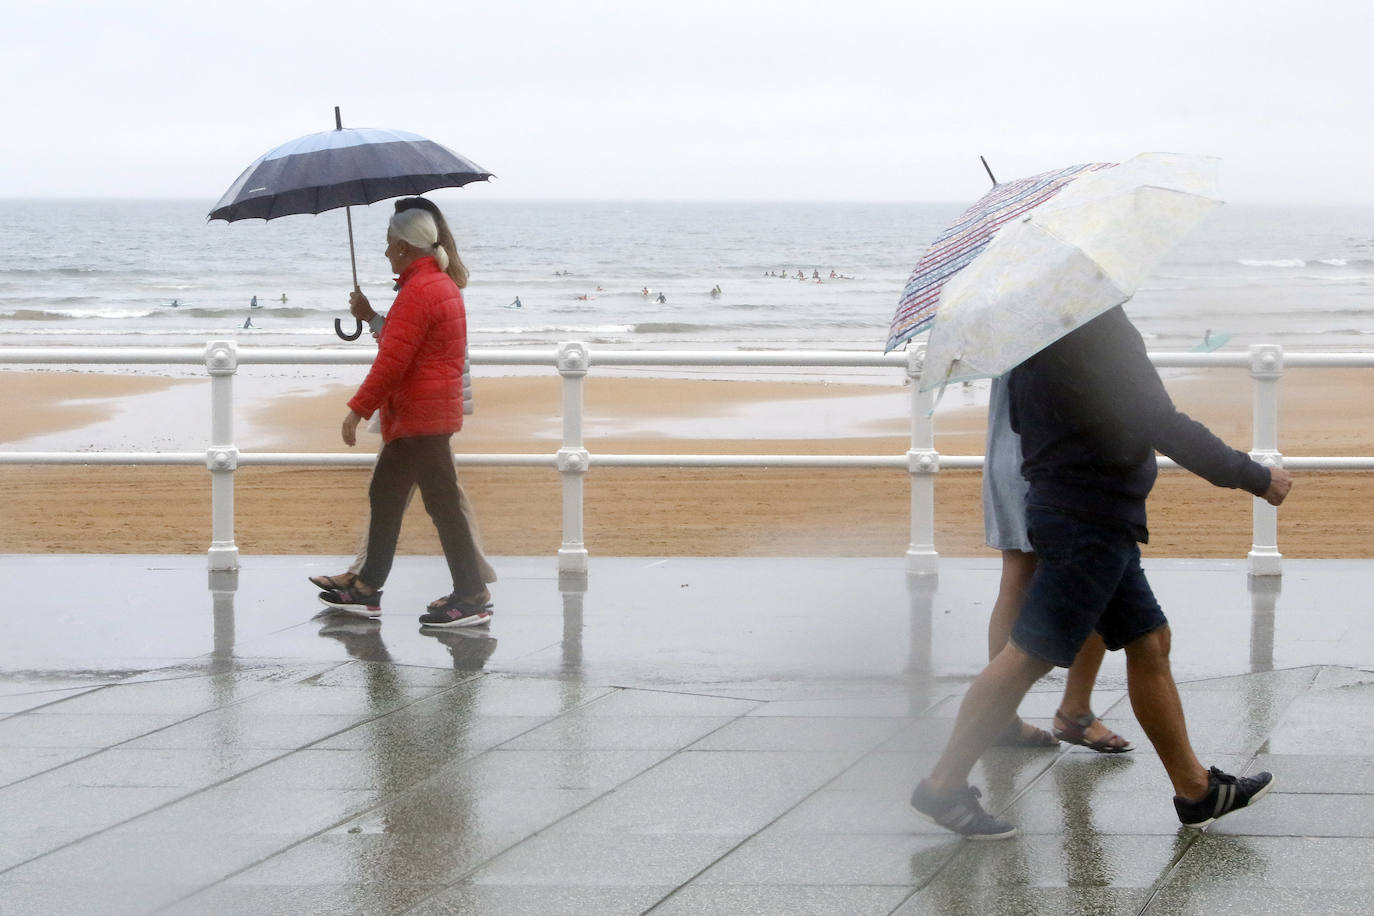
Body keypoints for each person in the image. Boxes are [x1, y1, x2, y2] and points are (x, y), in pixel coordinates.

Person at [910, 305, 1293, 839]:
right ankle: (943, 786)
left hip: (1077, 508)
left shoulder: (1034, 327)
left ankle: (1196, 790)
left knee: (1149, 639)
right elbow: (1159, 419)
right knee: (1030, 656)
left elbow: (1032, 421)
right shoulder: (1095, 324)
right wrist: (1253, 475)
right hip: (1087, 515)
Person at [310, 197, 498, 607]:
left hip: (420, 416)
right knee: (390, 494)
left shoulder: (421, 291)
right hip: (424, 414)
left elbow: (393, 362)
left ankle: (471, 594)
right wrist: (372, 315)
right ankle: (367, 586)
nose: (384, 251)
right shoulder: (431, 285)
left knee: (442, 505)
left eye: (388, 241)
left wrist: (356, 410)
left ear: (403, 246)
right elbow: (404, 345)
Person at [983, 375, 1131, 753]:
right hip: (1052, 460)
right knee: (1096, 570)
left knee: (1016, 576)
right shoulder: (1063, 321)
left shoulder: (1003, 323)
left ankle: (999, 718)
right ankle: (1075, 710)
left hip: (1008, 453)